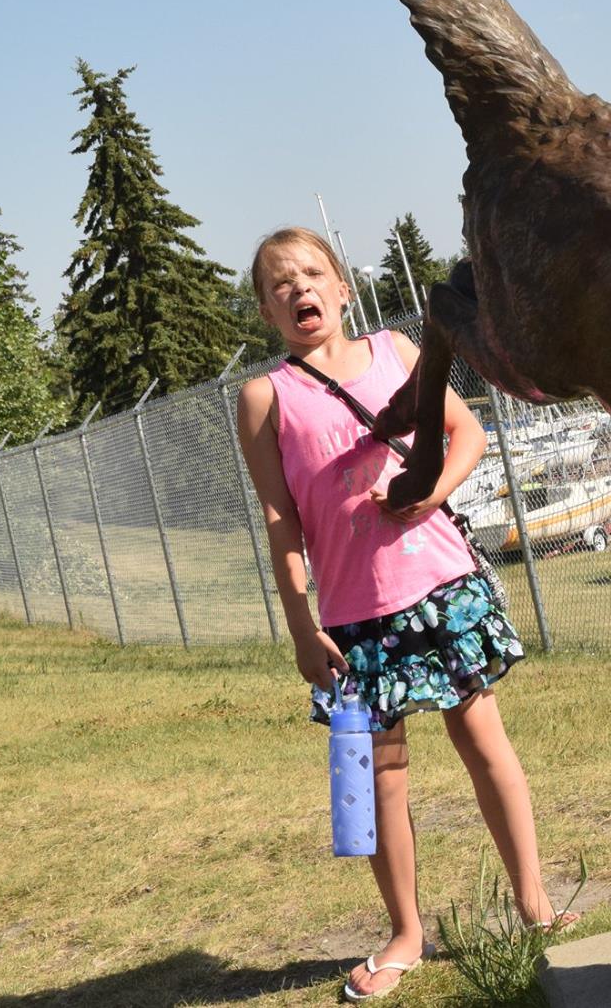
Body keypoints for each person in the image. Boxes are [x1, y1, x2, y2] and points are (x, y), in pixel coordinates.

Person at [236, 227, 572, 1003]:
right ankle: (406, 933)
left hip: (438, 586)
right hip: (351, 618)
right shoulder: (263, 398)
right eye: (281, 283)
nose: (299, 288)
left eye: (312, 273)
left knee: (483, 740)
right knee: (371, 777)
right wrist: (300, 626)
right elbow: (280, 519)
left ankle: (535, 903)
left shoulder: (394, 349)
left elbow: (467, 431)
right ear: (267, 310)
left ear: (342, 287)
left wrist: (431, 491)